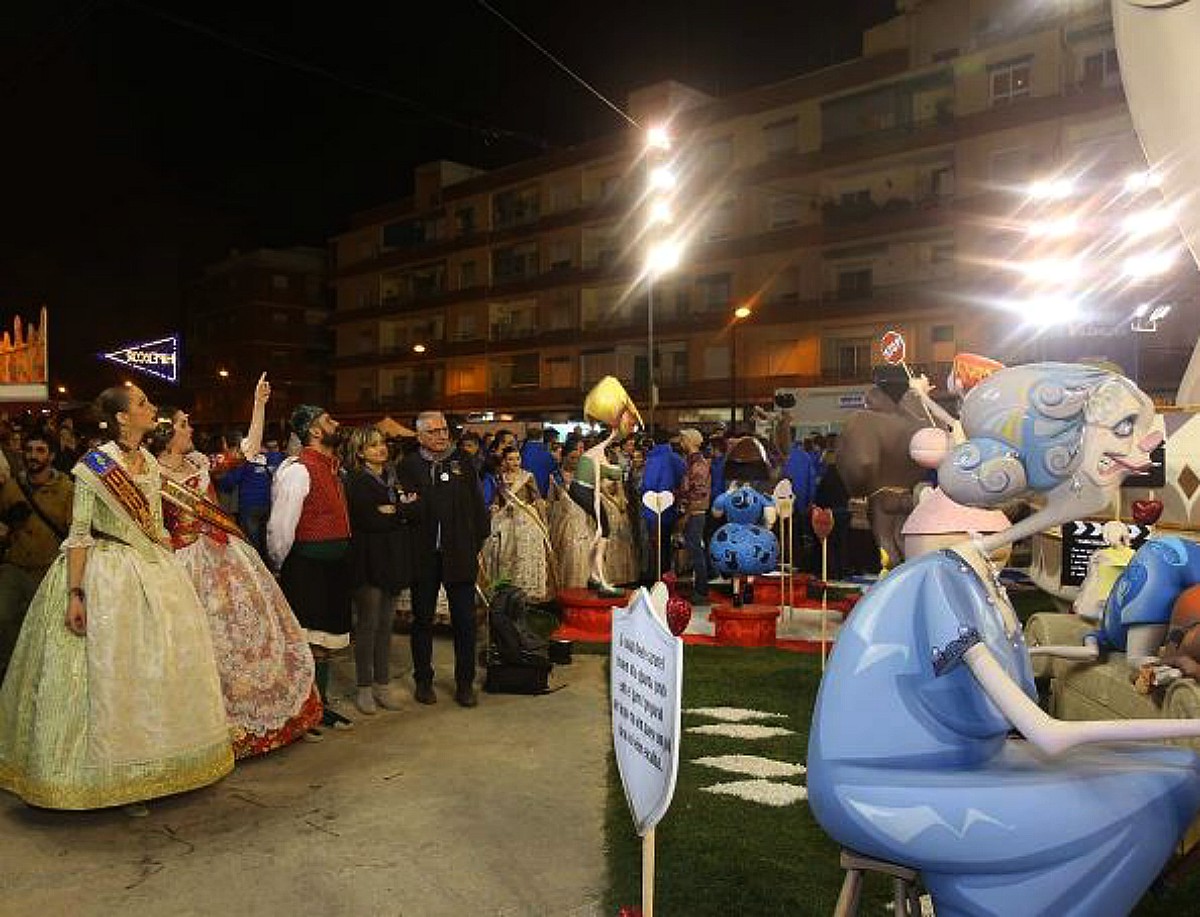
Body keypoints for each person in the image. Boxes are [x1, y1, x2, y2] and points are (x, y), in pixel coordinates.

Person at [808, 363, 1200, 917]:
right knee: (1160, 784)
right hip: (886, 788)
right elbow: (1046, 733)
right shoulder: (942, 579)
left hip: (952, 760)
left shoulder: (966, 575)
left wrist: (1066, 653)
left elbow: (999, 675)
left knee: (1174, 774)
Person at [0, 385, 232, 811]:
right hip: (107, 576)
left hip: (152, 573)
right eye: (142, 404)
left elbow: (157, 524)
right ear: (123, 418)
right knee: (113, 677)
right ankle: (114, 778)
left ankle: (158, 770)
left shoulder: (147, 460)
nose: (151, 410)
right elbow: (80, 533)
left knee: (155, 672)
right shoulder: (94, 466)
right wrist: (76, 594)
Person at [151, 378, 322, 757]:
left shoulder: (199, 464)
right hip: (181, 569)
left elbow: (247, 450)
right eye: (183, 424)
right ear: (165, 435)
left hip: (223, 561)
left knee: (249, 639)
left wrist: (258, 405)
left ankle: (268, 723)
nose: (190, 428)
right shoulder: (149, 476)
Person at [268, 405, 355, 732]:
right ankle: (305, 710)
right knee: (306, 642)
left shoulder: (333, 468)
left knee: (327, 640)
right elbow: (281, 527)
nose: (337, 423)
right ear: (315, 432)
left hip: (334, 567)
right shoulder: (298, 470)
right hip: (308, 567)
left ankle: (322, 706)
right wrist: (281, 564)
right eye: (329, 420)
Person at [398, 411, 490, 708]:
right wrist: (411, 506)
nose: (442, 436)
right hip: (423, 555)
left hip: (460, 553)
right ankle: (423, 680)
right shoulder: (408, 466)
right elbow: (406, 509)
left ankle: (465, 684)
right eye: (434, 431)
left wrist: (475, 543)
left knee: (464, 621)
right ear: (420, 436)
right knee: (422, 620)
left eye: (444, 430)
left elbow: (478, 509)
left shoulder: (462, 462)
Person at [344, 425, 416, 715]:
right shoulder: (357, 481)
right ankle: (364, 687)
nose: (381, 449)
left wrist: (395, 511)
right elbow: (367, 520)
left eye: (382, 443)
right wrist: (399, 511)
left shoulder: (392, 477)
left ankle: (382, 683)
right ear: (360, 453)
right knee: (368, 625)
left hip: (391, 558)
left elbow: (411, 512)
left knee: (387, 626)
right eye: (373, 446)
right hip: (367, 560)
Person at [0, 430, 74, 679]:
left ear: (51, 455)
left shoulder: (66, 489)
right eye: (29, 450)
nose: (33, 456)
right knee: (4, 618)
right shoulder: (12, 485)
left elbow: (75, 532)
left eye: (40, 451)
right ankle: (8, 676)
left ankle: (37, 678)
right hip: (14, 566)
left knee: (42, 629)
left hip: (48, 570)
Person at [571, 377, 642, 597]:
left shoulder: (596, 454)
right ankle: (600, 578)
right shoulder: (597, 453)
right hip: (584, 491)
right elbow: (605, 477)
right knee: (603, 532)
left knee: (602, 532)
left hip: (584, 490)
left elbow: (608, 474)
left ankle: (595, 576)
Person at [488, 445, 553, 603]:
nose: (515, 462)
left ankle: (526, 588)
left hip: (525, 518)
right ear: (504, 461)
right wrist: (495, 508)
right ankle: (505, 588)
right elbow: (497, 499)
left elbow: (537, 498)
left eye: (517, 458)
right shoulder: (500, 478)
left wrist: (544, 522)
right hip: (506, 519)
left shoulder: (528, 476)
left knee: (524, 552)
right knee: (504, 553)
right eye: (511, 459)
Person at [675, 428, 711, 603]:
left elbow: (698, 491)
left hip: (695, 511)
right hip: (693, 510)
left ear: (689, 441)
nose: (680, 443)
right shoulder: (692, 462)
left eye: (683, 440)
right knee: (695, 549)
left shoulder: (697, 464)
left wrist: (686, 511)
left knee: (696, 550)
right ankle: (700, 589)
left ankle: (702, 591)